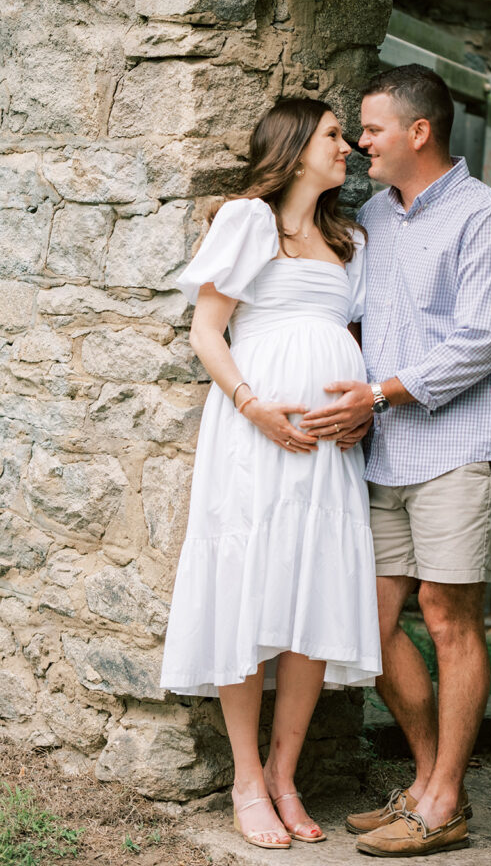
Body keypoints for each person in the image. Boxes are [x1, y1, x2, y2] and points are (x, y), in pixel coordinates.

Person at [301, 64, 491, 857]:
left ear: (417, 132)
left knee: (446, 615)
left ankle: (438, 801)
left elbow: (478, 345)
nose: (360, 141)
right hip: (383, 453)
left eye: (368, 129)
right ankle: (432, 784)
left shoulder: (488, 221)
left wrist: (372, 393)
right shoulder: (372, 216)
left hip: (462, 447)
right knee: (368, 625)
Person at [160, 98, 381, 851]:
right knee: (248, 583)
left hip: (329, 447)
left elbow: (355, 341)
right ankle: (247, 779)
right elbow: (206, 329)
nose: (346, 145)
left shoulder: (347, 238)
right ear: (293, 146)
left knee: (311, 590)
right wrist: (253, 406)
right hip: (256, 435)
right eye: (331, 135)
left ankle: (286, 775)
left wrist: (364, 411)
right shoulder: (250, 221)